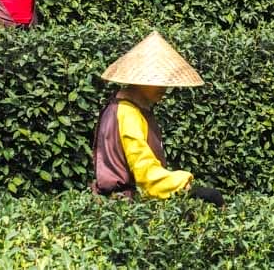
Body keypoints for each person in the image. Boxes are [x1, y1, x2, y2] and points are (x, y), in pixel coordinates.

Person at [92, 31, 225, 206]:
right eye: (158, 80)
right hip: (124, 206)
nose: (164, 87)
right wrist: (187, 187)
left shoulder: (131, 107)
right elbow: (146, 172)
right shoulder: (127, 113)